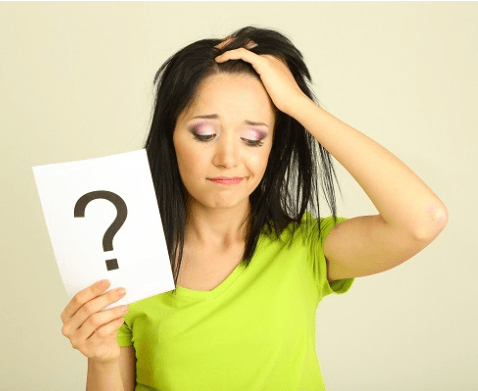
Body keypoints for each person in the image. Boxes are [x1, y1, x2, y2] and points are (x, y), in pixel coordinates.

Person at [61, 26, 448, 391]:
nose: (229, 158)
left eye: (253, 137)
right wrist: (103, 357)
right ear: (170, 137)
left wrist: (297, 104)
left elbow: (422, 220)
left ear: (272, 147)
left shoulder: (304, 248)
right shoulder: (126, 262)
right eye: (205, 134)